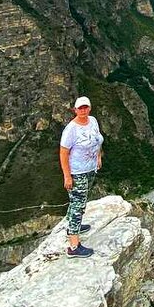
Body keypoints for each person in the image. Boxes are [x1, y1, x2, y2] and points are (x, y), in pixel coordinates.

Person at [59, 95, 103, 258]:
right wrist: (67, 176)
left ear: (89, 108)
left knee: (78, 201)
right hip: (77, 172)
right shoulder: (71, 129)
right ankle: (74, 247)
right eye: (80, 108)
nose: (83, 110)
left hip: (90, 169)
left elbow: (97, 139)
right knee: (78, 204)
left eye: (86, 107)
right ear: (75, 110)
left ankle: (72, 227)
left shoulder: (93, 121)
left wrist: (98, 156)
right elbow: (63, 153)